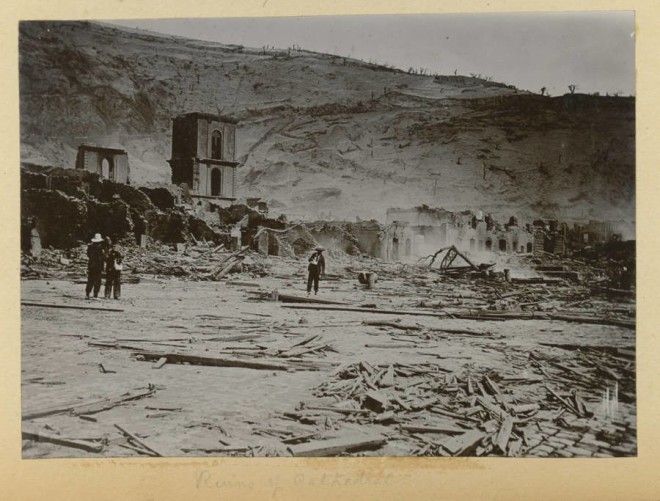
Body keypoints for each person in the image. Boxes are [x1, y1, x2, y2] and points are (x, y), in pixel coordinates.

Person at [85, 233, 105, 299]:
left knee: (90, 280)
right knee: (97, 281)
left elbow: (88, 255)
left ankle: (87, 294)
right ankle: (95, 295)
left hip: (91, 265)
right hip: (98, 266)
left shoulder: (90, 247)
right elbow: (102, 258)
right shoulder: (100, 248)